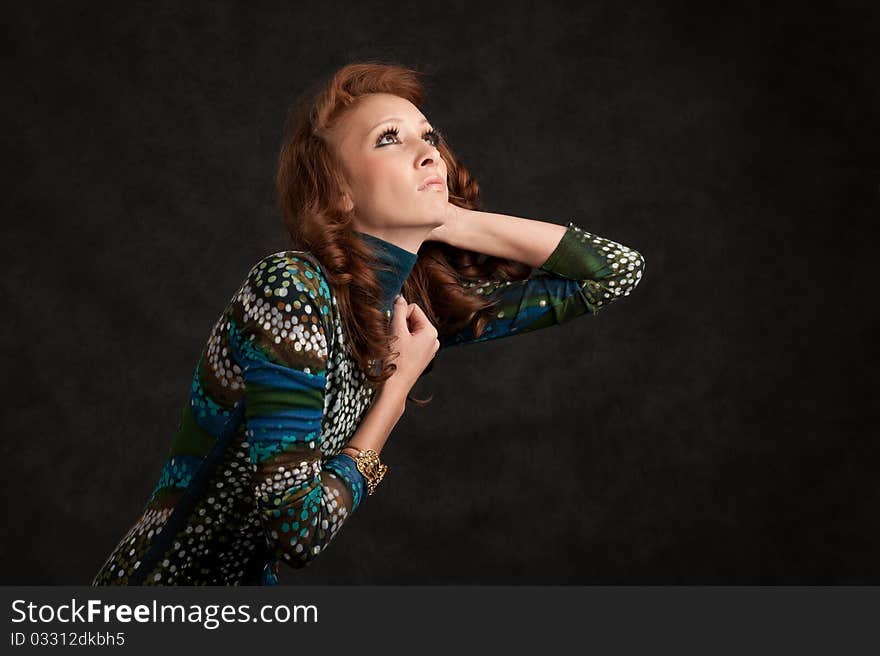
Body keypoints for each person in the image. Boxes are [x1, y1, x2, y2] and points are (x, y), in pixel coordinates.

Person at [91, 61, 646, 586]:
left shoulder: (405, 314)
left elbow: (614, 272)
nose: (429, 153)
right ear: (338, 190)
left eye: (428, 138)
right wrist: (395, 392)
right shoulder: (292, 289)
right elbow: (298, 534)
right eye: (389, 138)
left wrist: (450, 218)